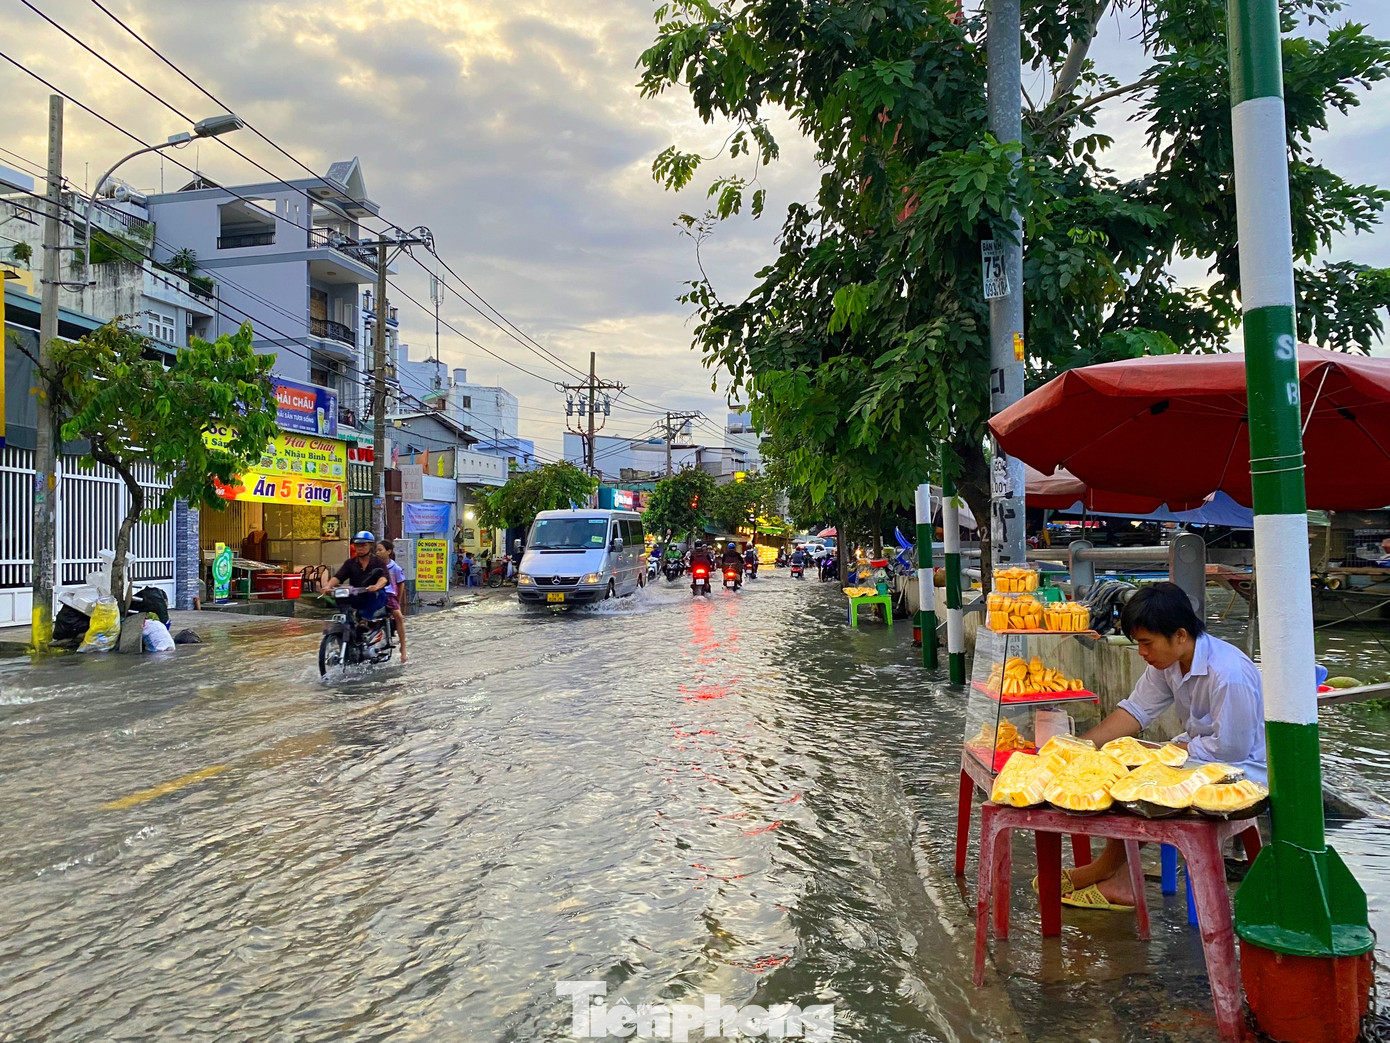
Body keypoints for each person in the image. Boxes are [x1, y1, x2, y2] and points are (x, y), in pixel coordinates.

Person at [1057, 582, 1266, 911]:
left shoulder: (1228, 674)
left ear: (1180, 635)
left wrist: (1169, 755)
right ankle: (1112, 871)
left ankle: (1118, 880)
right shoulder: (1168, 663)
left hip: (1243, 773)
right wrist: (1078, 746)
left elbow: (1230, 750)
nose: (1141, 652)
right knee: (1118, 770)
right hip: (1199, 758)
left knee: (1143, 786)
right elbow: (1135, 711)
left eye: (1145, 643)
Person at [325, 531, 390, 623]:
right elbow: (338, 577)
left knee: (377, 594)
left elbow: (384, 578)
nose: (360, 548)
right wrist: (328, 586)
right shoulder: (350, 563)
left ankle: (365, 620)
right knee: (341, 596)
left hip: (372, 596)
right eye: (357, 545)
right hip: (357, 595)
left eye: (363, 545)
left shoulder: (378, 562)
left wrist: (376, 586)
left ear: (371, 546)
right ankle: (347, 619)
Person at [376, 540, 408, 664]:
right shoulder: (374, 565)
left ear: (388, 551)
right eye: (376, 550)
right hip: (376, 593)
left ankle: (403, 648)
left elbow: (401, 584)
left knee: (398, 616)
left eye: (380, 550)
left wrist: (398, 601)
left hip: (390, 595)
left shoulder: (395, 568)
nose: (377, 553)